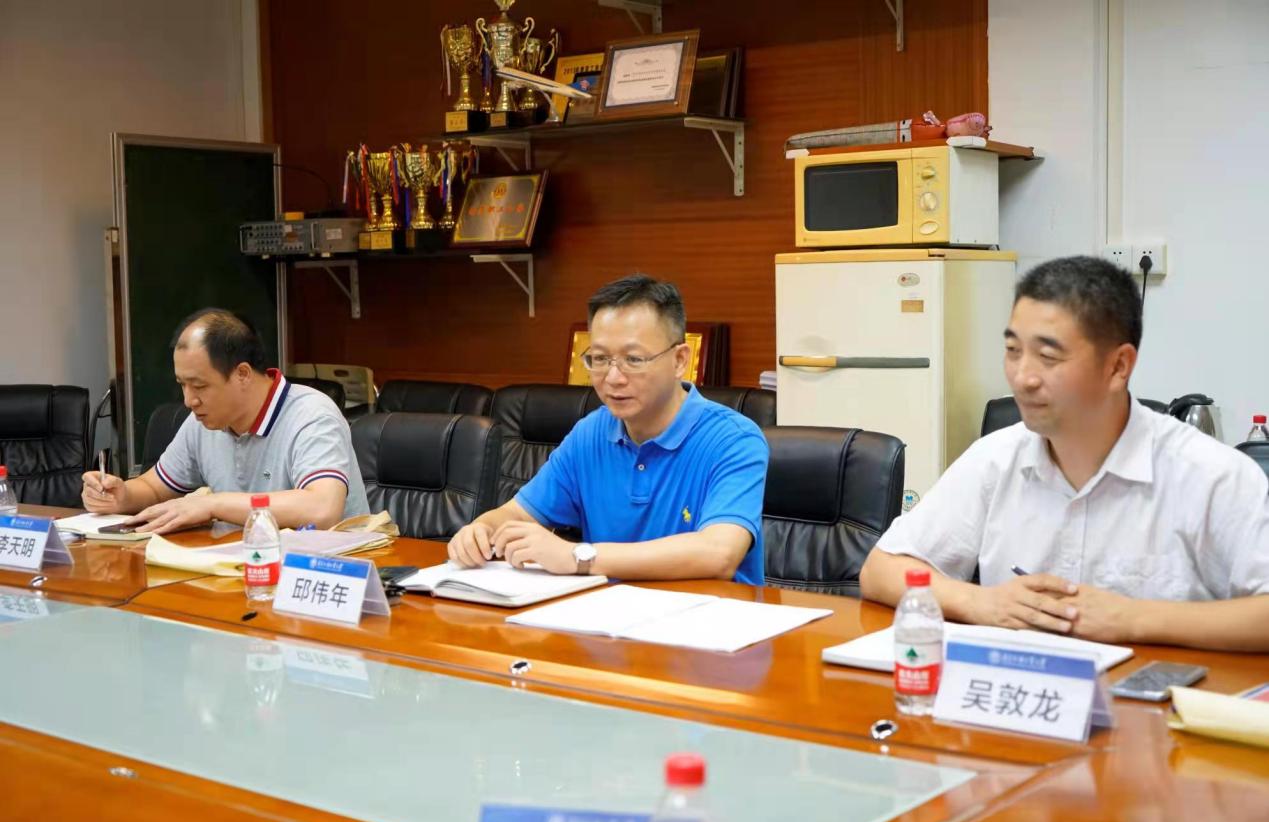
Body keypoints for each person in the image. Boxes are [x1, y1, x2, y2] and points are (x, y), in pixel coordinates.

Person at [860, 256, 1269, 651]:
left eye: (1048, 357)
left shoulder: (1212, 474)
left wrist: (1133, 618)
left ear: (1118, 366)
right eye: (1013, 351)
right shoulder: (996, 457)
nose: (1023, 378)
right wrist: (981, 602)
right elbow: (881, 570)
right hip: (1022, 687)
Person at [448, 274, 769, 584]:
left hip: (710, 616)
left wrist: (578, 556)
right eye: (600, 359)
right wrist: (481, 530)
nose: (613, 378)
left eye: (634, 359)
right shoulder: (589, 434)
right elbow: (516, 514)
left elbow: (719, 553)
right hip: (608, 615)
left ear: (679, 360)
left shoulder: (734, 440)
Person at [81, 308, 368, 534]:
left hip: (322, 572)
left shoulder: (311, 415)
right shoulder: (203, 422)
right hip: (241, 566)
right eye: (182, 384)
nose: (189, 400)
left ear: (242, 374)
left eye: (199, 386)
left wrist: (212, 504)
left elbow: (322, 509)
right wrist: (122, 495)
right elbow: (155, 487)